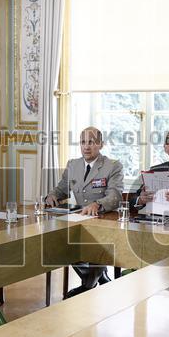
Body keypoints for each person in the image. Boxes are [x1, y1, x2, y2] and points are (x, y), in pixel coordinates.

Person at [45, 127, 123, 296]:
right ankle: (98, 278)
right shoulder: (73, 165)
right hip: (79, 221)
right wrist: (51, 196)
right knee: (65, 244)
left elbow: (116, 196)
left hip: (103, 222)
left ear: (100, 144)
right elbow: (61, 189)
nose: (86, 147)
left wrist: (98, 204)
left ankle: (87, 286)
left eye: (92, 142)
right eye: (83, 142)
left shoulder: (112, 166)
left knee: (96, 247)